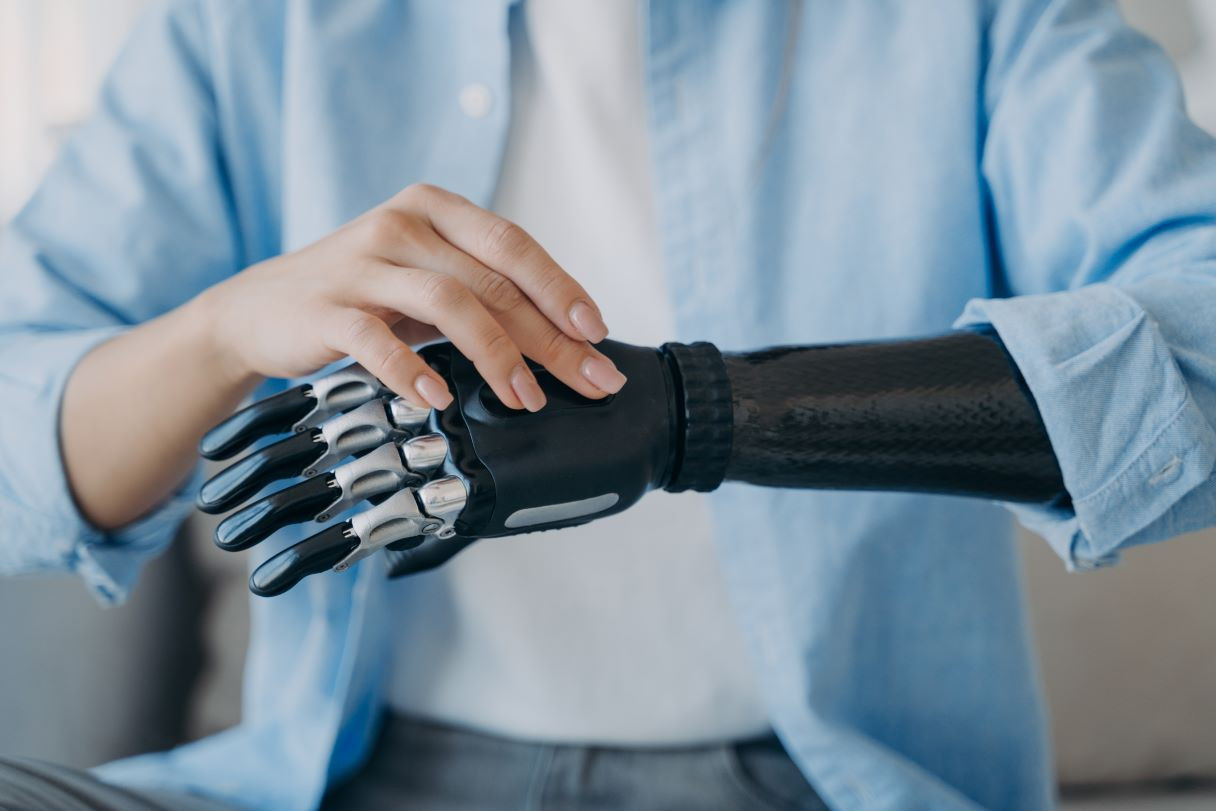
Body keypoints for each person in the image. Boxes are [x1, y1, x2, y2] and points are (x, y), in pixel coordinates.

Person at [3, 0, 1216, 808]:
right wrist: (218, 331)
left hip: (810, 784)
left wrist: (706, 412)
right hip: (346, 776)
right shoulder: (253, 26)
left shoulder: (979, 18)